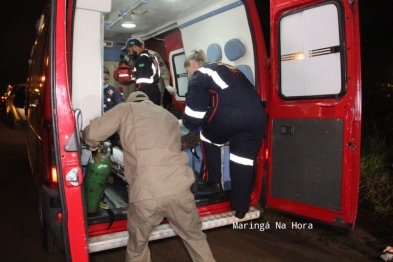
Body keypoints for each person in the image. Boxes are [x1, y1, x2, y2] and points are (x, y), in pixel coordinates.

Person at [83, 91, 216, 262]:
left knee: (137, 249)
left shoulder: (125, 109)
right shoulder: (168, 116)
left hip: (146, 194)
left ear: (132, 101)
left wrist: (88, 140)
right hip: (180, 191)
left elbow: (93, 133)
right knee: (196, 239)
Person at [180, 49, 266, 219]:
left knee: (206, 135)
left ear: (193, 64)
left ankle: (212, 182)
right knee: (242, 161)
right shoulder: (228, 68)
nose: (189, 74)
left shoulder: (200, 73)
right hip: (257, 115)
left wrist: (189, 125)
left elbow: (195, 113)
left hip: (232, 113)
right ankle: (241, 207)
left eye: (187, 71)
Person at [121, 37, 177, 106]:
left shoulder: (152, 55)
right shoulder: (138, 56)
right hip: (148, 88)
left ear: (139, 46)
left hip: (152, 87)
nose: (129, 53)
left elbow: (163, 71)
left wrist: (167, 85)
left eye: (129, 50)